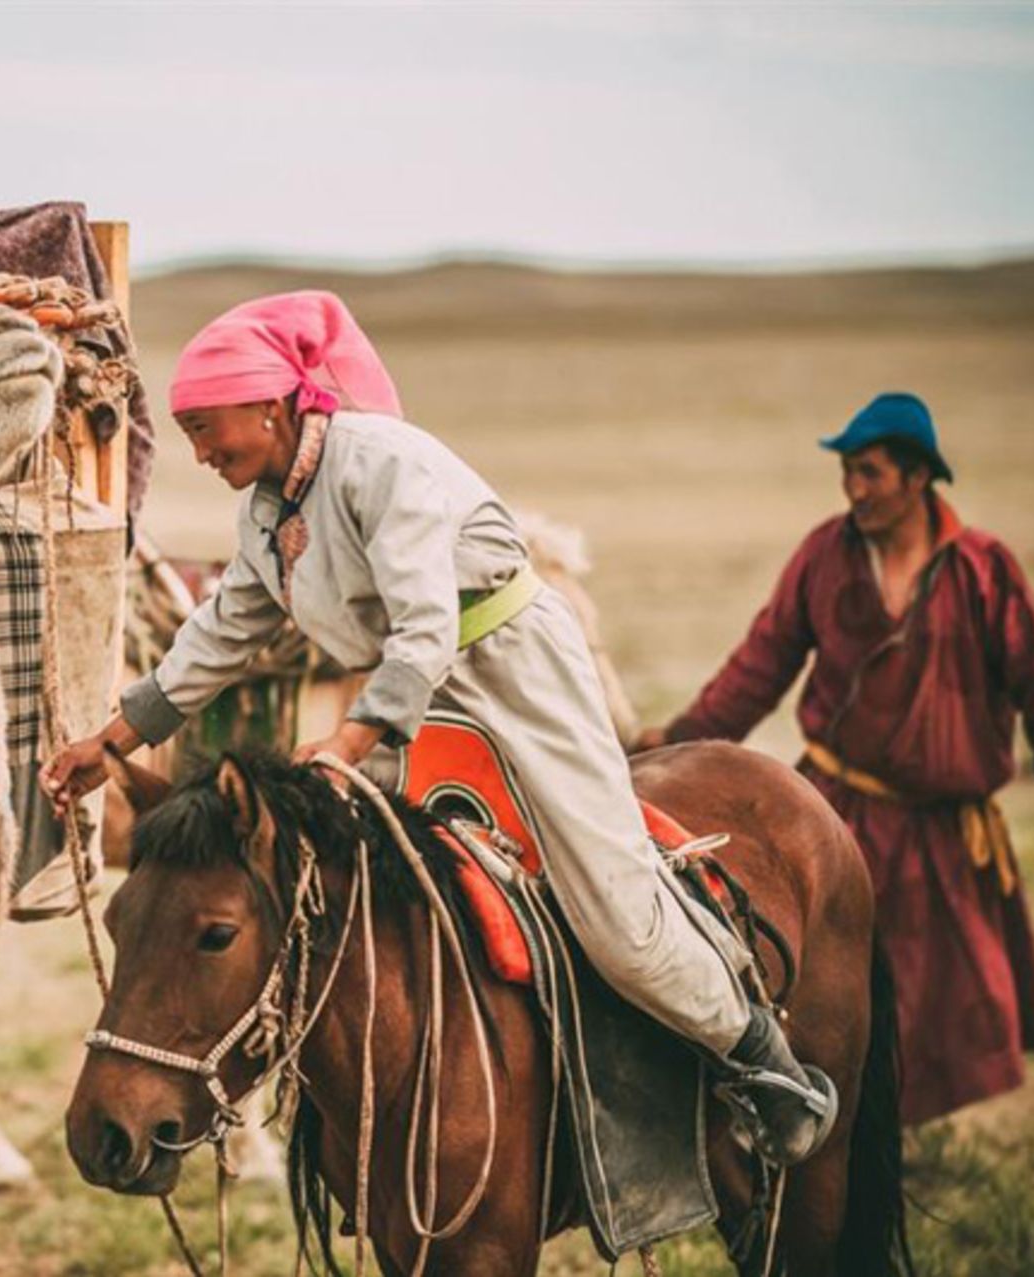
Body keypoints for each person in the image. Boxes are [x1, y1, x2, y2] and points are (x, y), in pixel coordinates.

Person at [43, 291, 837, 1164]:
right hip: (418, 697)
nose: (198, 451)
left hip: (512, 675)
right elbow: (221, 632)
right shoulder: (268, 511)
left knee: (615, 912)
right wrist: (110, 741)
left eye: (206, 426)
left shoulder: (383, 463)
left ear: (270, 404)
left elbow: (425, 626)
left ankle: (763, 1060)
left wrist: (348, 744)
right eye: (187, 431)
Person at [634, 392, 1034, 1124]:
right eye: (848, 471)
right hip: (841, 818)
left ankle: (902, 1151)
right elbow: (761, 665)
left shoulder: (984, 568)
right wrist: (679, 743)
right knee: (836, 1003)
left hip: (946, 835)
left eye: (870, 472)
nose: (854, 487)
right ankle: (844, 1136)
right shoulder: (825, 555)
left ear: (918, 478)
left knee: (941, 1007)